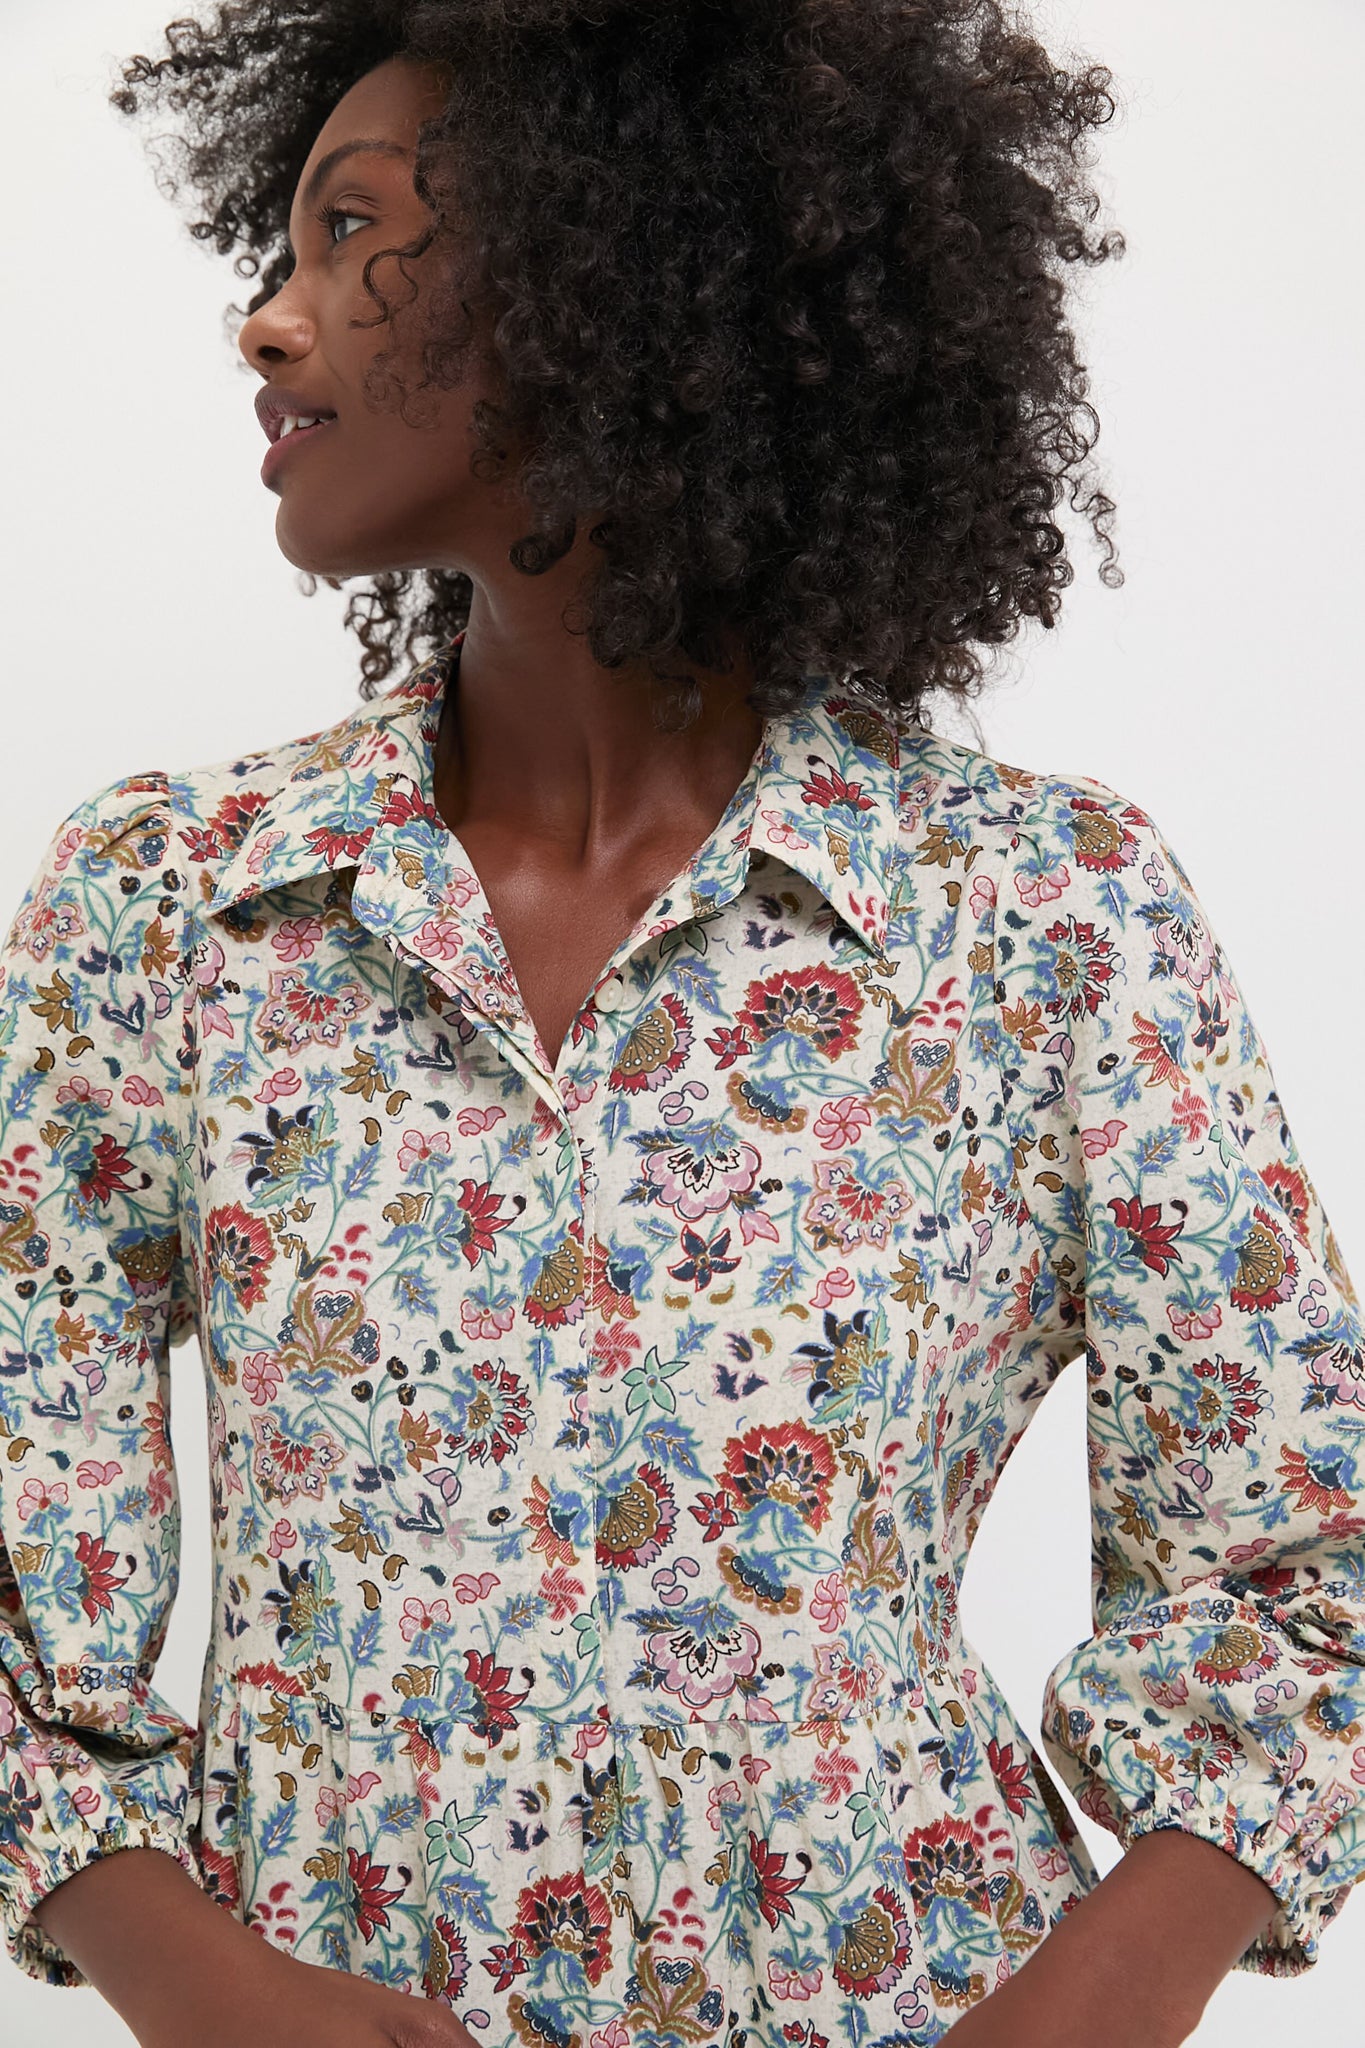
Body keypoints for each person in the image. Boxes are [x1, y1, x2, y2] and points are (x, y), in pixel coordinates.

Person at [1, 5, 1362, 2046]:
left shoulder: (1039, 910)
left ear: (609, 271)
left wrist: (1082, 2009)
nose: (266, 324)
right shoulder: (172, 905)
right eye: (278, 251)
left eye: (349, 232)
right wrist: (194, 1979)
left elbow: (1304, 1564)